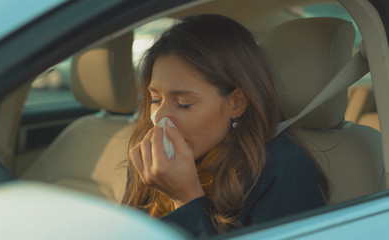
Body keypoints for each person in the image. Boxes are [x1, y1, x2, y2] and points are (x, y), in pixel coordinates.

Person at [123, 14, 329, 238]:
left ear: (236, 103)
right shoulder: (152, 160)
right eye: (155, 100)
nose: (160, 117)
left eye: (184, 104)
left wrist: (185, 198)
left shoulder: (281, 170)